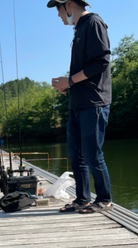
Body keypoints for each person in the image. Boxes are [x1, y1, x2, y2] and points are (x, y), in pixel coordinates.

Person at [48, 0, 113, 214]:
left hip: (94, 102)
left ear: (68, 5)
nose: (58, 15)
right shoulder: (79, 29)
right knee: (75, 153)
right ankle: (82, 198)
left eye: (58, 9)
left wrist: (71, 81)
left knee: (92, 153)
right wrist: (66, 84)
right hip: (78, 102)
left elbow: (101, 61)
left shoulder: (93, 22)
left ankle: (104, 199)